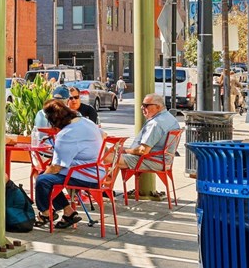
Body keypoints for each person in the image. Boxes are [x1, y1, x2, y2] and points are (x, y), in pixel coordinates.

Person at [34, 99, 104, 229]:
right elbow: (104, 134)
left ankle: (45, 213)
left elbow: (56, 167)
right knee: (47, 178)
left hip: (85, 175)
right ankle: (68, 212)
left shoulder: (66, 134)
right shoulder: (86, 122)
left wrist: (43, 174)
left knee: (42, 179)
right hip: (96, 170)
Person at [119, 93, 181, 174]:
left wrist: (126, 151)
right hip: (164, 160)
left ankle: (105, 185)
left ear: (158, 107)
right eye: (142, 105)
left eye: (146, 105)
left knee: (110, 157)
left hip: (154, 160)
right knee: (115, 153)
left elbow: (143, 151)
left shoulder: (156, 123)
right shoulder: (170, 118)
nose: (142, 107)